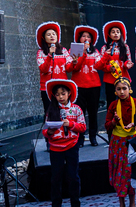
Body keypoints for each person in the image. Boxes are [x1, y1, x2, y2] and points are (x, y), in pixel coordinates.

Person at [42, 79, 86, 207]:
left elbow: (83, 127)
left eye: (63, 93)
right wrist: (49, 132)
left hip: (72, 146)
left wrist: (71, 124)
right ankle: (56, 204)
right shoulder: (51, 110)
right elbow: (45, 131)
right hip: (56, 149)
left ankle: (75, 203)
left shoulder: (76, 109)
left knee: (73, 177)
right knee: (56, 178)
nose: (60, 97)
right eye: (57, 94)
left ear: (69, 93)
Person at [105, 77, 136, 207]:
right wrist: (114, 122)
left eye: (124, 88)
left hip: (133, 141)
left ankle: (132, 203)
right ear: (115, 91)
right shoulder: (113, 105)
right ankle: (121, 203)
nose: (122, 92)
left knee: (131, 171)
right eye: (119, 89)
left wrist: (135, 123)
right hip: (118, 143)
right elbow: (107, 126)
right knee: (119, 173)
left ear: (130, 89)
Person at [97, 21, 134, 139]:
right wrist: (110, 68)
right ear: (109, 34)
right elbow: (101, 65)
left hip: (124, 79)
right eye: (113, 32)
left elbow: (128, 60)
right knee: (111, 106)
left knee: (126, 103)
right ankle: (111, 132)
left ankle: (128, 128)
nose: (116, 34)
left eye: (118, 32)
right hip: (110, 80)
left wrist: (128, 65)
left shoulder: (125, 46)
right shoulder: (105, 48)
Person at [36, 21, 77, 116]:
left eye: (54, 34)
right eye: (48, 34)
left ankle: (65, 130)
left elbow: (68, 68)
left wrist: (74, 62)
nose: (52, 36)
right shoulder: (40, 53)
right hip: (47, 88)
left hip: (62, 87)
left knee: (64, 112)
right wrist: (49, 55)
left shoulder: (63, 50)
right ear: (44, 38)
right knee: (50, 113)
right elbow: (44, 69)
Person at [71, 25, 102, 147]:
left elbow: (99, 65)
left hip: (94, 85)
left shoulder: (96, 52)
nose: (86, 38)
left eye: (88, 36)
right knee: (79, 113)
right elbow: (75, 67)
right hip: (79, 86)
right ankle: (80, 138)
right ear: (79, 38)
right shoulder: (73, 51)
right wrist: (83, 53)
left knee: (93, 112)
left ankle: (93, 136)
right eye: (83, 36)